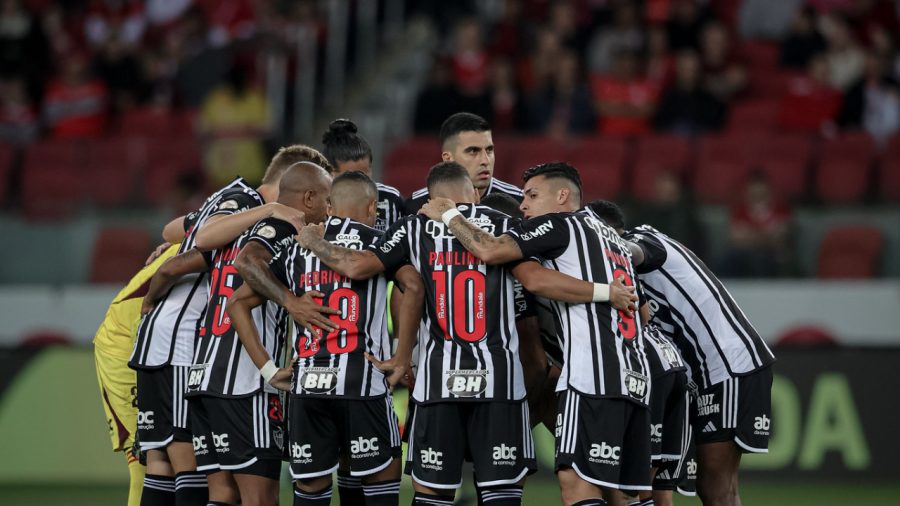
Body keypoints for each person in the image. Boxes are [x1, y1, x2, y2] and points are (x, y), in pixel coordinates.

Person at [296, 162, 637, 506]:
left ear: (430, 199)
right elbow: (536, 280)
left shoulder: (413, 227)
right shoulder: (507, 226)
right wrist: (607, 290)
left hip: (437, 384)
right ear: (474, 194)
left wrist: (315, 242)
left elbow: (359, 267)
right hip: (499, 384)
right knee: (501, 494)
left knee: (432, 495)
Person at [419, 162, 652, 506]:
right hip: (634, 376)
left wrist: (451, 216)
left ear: (562, 196)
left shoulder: (561, 224)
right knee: (624, 493)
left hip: (592, 378)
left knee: (576, 485)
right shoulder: (611, 239)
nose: (524, 205)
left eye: (532, 195)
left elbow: (497, 255)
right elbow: (643, 314)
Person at [131, 146, 323, 506]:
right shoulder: (254, 207)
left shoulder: (232, 215)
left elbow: (176, 232)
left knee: (172, 468)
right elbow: (208, 246)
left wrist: (169, 251)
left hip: (189, 360)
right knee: (209, 477)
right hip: (201, 354)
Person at [228, 171, 424, 506]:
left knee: (311, 492)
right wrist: (402, 355)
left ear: (330, 205)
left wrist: (269, 371)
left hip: (308, 390)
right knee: (382, 482)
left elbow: (236, 303)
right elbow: (415, 286)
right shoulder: (379, 240)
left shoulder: (294, 250)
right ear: (372, 206)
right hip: (362, 384)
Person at [587, 200, 775, 506]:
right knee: (705, 483)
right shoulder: (619, 276)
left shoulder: (644, 241)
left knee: (716, 485)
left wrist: (605, 247)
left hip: (728, 364)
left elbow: (633, 252)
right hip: (704, 373)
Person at [93, 242, 179, 506]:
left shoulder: (212, 231)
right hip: (124, 345)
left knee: (179, 460)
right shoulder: (215, 235)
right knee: (145, 457)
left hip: (161, 344)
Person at [404, 112, 523, 214]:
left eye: (489, 150)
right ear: (448, 159)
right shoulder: (415, 206)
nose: (485, 161)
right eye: (473, 151)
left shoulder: (519, 202)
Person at [321, 118, 406, 232]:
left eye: (364, 174)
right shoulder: (318, 203)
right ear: (329, 172)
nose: (359, 182)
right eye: (350, 176)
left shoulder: (391, 200)